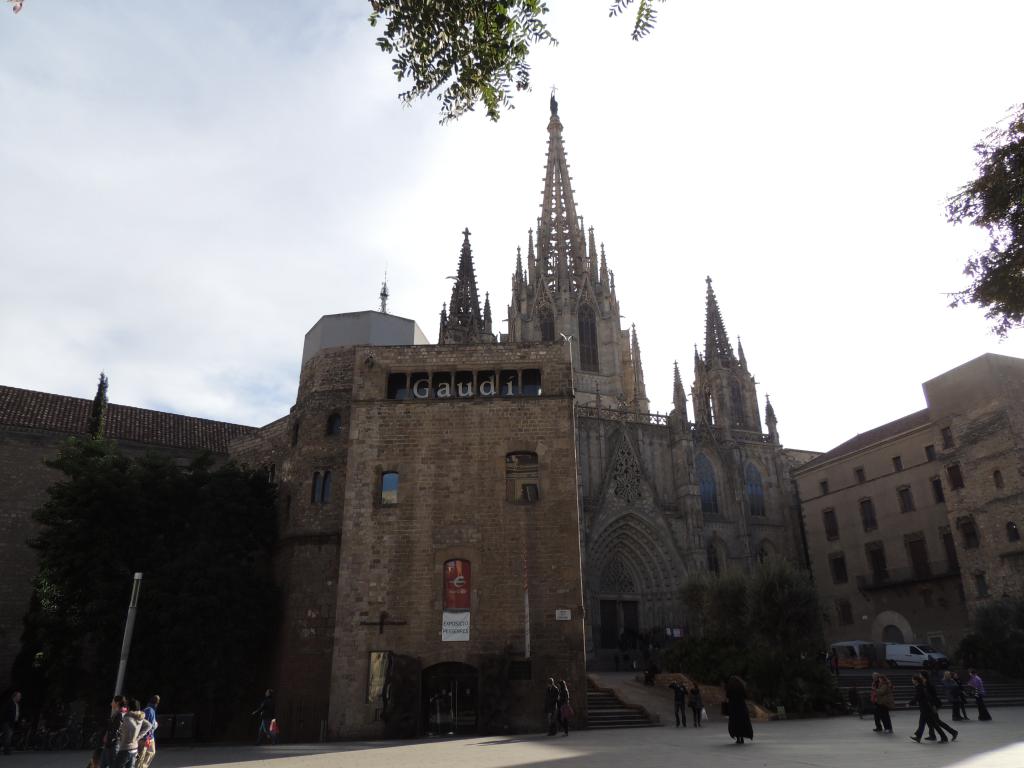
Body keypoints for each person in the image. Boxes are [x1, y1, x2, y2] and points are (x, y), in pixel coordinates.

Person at [908, 674, 957, 744]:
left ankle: (948, 734)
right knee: (926, 723)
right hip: (927, 707)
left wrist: (934, 706)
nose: (921, 678)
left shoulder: (927, 686)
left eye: (921, 676)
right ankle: (921, 736)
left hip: (929, 707)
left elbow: (931, 696)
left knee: (936, 723)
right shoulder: (923, 686)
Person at [114, 699, 153, 768]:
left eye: (127, 706)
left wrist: (121, 735)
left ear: (129, 707)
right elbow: (149, 725)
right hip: (134, 748)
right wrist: (138, 736)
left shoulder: (127, 718)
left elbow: (123, 732)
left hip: (125, 748)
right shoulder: (139, 717)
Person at [99, 696, 127, 768]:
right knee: (103, 764)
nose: (111, 703)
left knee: (112, 765)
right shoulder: (120, 712)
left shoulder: (120, 714)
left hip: (112, 744)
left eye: (113, 701)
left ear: (117, 703)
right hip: (110, 743)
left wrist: (110, 739)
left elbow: (116, 729)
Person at [725, 676, 753, 745]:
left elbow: (727, 696)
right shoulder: (741, 688)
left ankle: (738, 738)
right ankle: (742, 738)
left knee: (735, 723)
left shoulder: (730, 688)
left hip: (733, 708)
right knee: (742, 722)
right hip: (741, 707)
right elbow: (745, 696)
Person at [135, 696, 159, 768]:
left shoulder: (148, 709)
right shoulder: (150, 710)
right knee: (143, 756)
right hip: (147, 737)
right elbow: (148, 725)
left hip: (147, 737)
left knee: (147, 754)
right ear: (157, 703)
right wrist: (155, 725)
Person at [1, 691, 20, 756]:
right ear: (15, 696)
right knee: (8, 736)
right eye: (19, 696)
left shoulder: (16, 704)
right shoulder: (9, 703)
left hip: (12, 722)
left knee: (9, 735)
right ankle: (6, 750)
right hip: (7, 722)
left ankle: (7, 749)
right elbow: (5, 712)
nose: (20, 697)